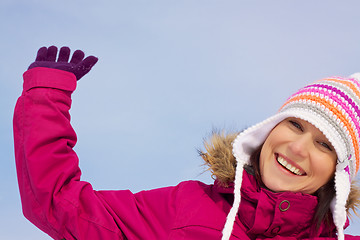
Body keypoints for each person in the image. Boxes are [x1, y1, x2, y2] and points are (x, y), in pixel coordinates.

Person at [13, 46, 360, 240]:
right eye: (295, 125)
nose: (298, 148)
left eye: (324, 145)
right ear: (269, 129)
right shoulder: (186, 207)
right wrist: (46, 99)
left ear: (339, 173)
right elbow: (64, 208)